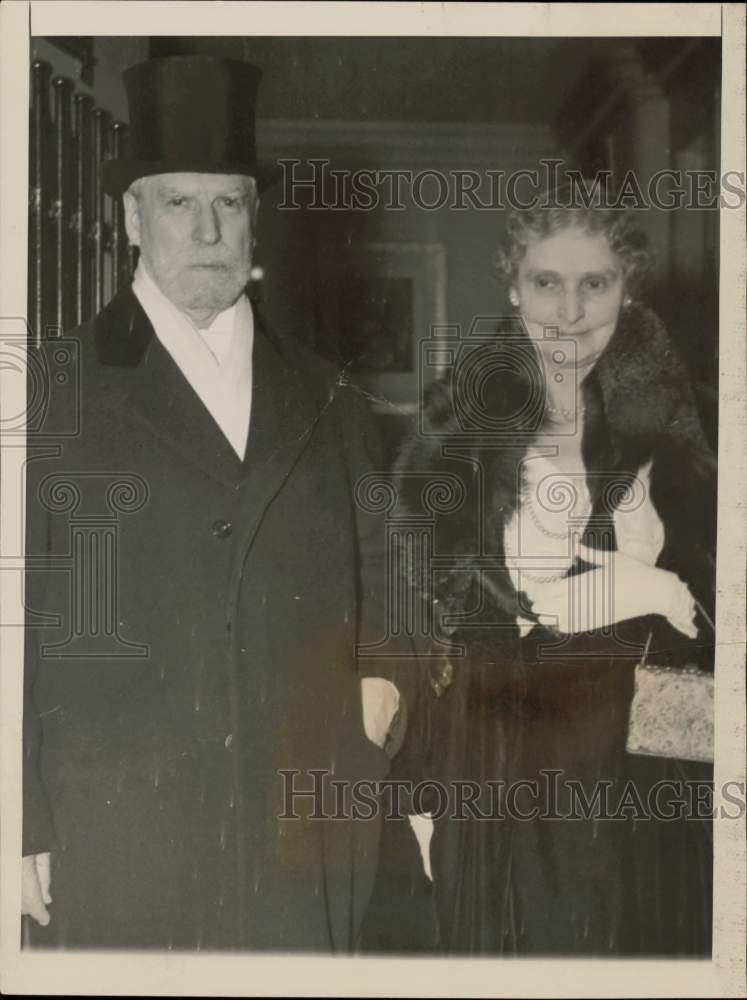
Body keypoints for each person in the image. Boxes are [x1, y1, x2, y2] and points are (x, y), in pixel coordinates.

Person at [21, 55, 415, 951]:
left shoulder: (330, 398)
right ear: (130, 217)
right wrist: (18, 817)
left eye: (228, 204)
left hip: (302, 835)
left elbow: (389, 565)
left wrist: (384, 685)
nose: (206, 229)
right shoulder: (51, 390)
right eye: (176, 203)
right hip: (118, 834)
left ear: (252, 217)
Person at [393, 186, 716, 954]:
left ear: (626, 288)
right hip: (495, 756)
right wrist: (419, 780)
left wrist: (665, 593)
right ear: (512, 287)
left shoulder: (676, 411)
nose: (569, 311)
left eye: (594, 284)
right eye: (546, 283)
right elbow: (441, 602)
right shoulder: (461, 421)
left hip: (630, 760)